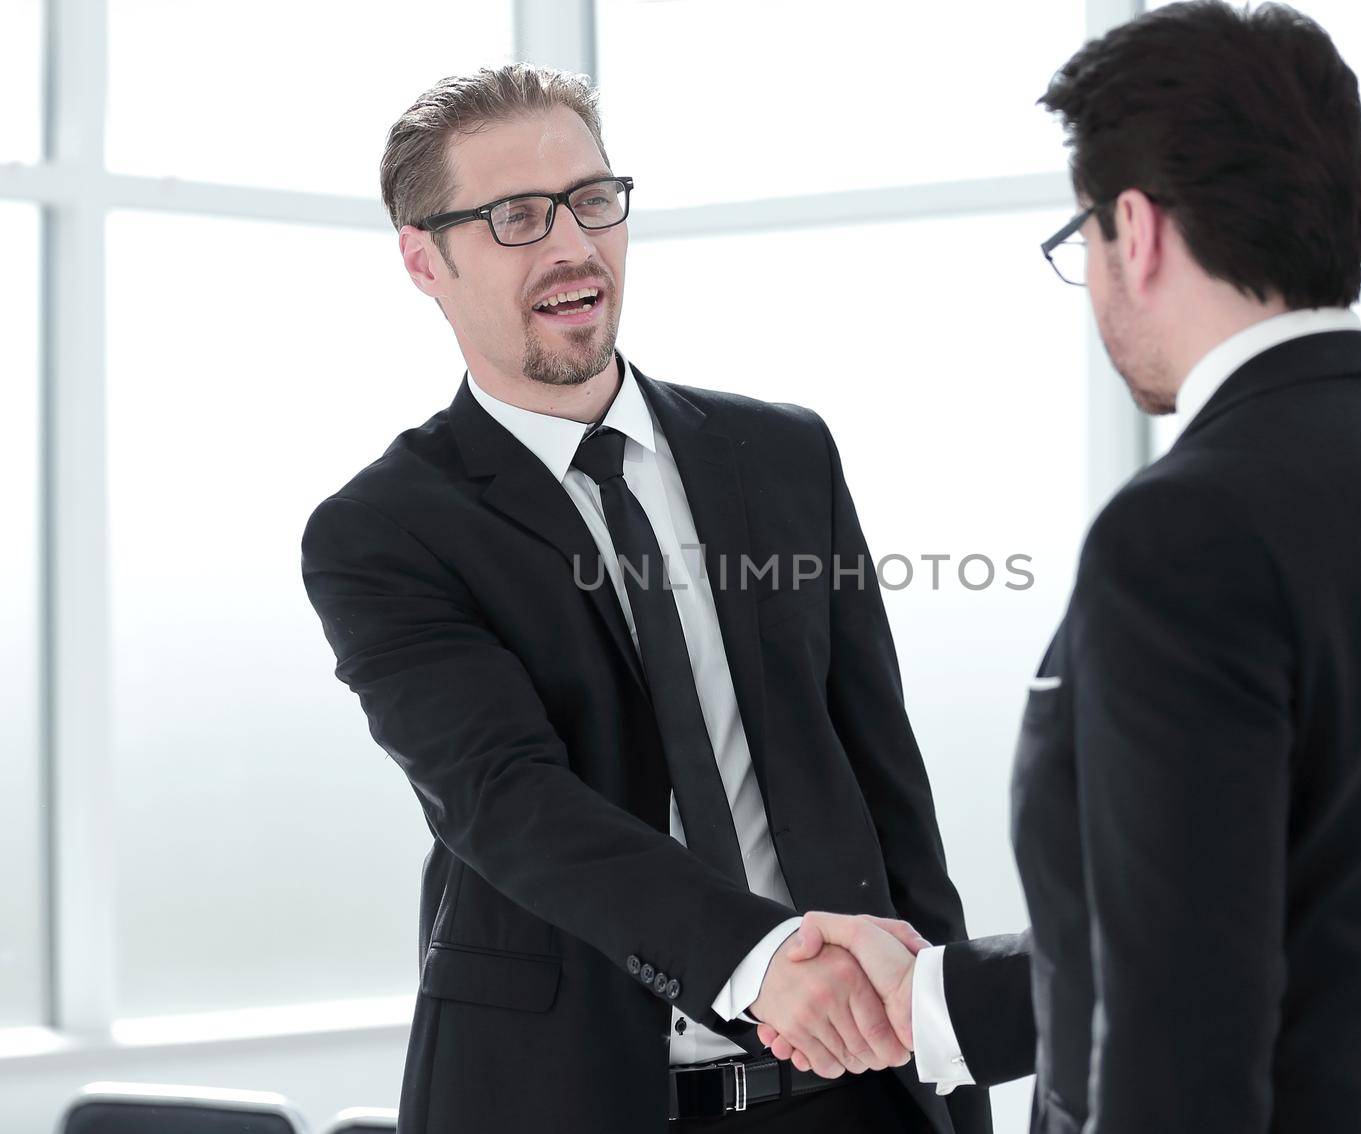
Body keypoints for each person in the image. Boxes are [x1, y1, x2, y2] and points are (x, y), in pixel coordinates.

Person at [755, 4, 1361, 1132]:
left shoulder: (1183, 534)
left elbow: (1183, 1026)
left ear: (1134, 229)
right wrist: (932, 999)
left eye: (1077, 240)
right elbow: (1271, 907)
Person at [299, 64, 990, 1134]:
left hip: (855, 1097)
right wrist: (757, 962)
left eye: (591, 201)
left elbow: (882, 777)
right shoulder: (384, 531)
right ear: (422, 260)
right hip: (563, 1094)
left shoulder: (784, 455)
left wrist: (954, 1059)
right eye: (516, 217)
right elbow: (505, 801)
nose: (571, 245)